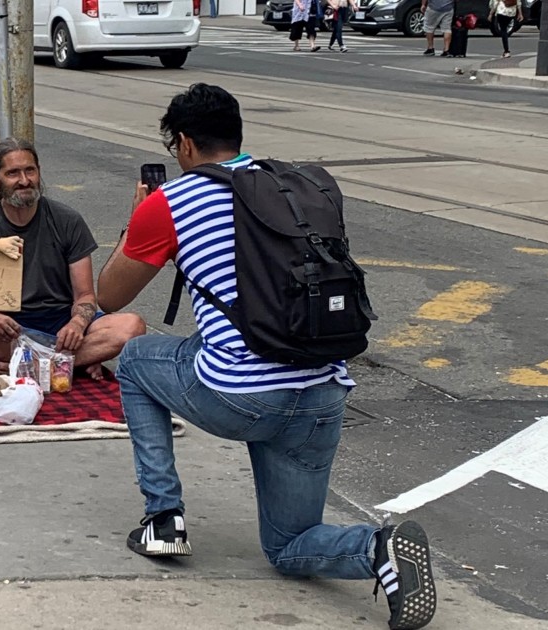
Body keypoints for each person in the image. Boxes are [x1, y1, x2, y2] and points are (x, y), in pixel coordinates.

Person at [96, 83, 437, 630]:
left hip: (241, 395)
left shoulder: (170, 203)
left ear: (183, 144)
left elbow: (110, 298)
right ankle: (379, 549)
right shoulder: (298, 188)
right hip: (323, 392)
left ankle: (164, 519)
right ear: (237, 136)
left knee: (136, 358)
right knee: (288, 545)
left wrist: (134, 222)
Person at [0, 138, 146, 379]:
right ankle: (71, 363)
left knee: (132, 327)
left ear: (39, 171)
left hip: (63, 326)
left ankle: (41, 366)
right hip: (13, 331)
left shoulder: (67, 220)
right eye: (13, 173)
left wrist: (77, 323)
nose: (24, 181)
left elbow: (85, 295)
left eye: (29, 170)